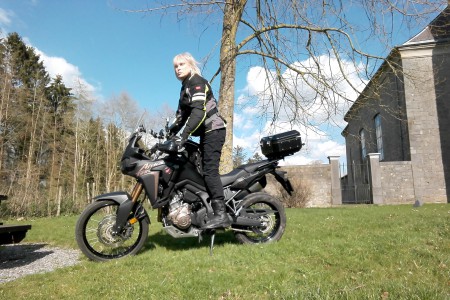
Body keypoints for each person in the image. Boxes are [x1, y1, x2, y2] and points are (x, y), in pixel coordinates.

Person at [169, 52, 230, 229]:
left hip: (215, 130)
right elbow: (181, 116)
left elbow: (198, 112)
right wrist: (169, 133)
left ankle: (221, 214)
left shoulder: (197, 82)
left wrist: (184, 135)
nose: (178, 68)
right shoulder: (185, 88)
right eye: (175, 66)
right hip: (206, 132)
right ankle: (203, 208)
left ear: (190, 65)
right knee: (198, 170)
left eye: (181, 64)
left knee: (210, 171)